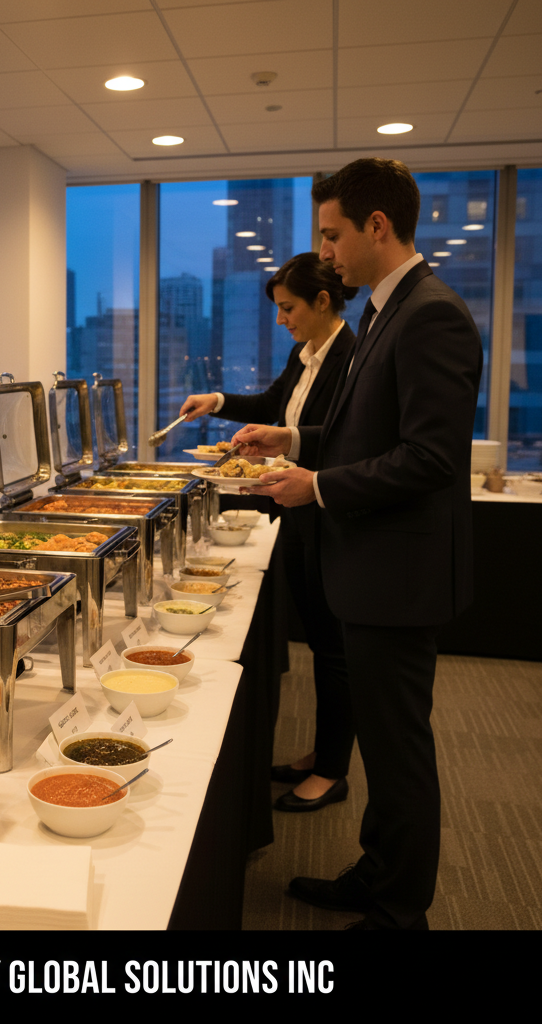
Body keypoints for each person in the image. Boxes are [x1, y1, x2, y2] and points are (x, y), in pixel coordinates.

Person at [232, 158, 483, 929]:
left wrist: (318, 485)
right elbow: (364, 428)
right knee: (380, 738)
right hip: (372, 567)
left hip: (398, 576)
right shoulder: (384, 311)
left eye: (333, 234)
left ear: (379, 227)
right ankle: (378, 872)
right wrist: (296, 435)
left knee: (399, 749)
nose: (327, 252)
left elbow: (430, 458)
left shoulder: (431, 312)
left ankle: (401, 906)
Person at [180, 253, 356, 811]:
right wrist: (220, 402)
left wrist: (290, 441)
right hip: (298, 514)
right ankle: (322, 752)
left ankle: (332, 770)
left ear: (322, 302)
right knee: (322, 642)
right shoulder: (303, 354)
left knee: (333, 650)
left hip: (330, 515)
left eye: (288, 308)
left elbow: (344, 436)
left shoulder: (352, 356)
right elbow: (275, 410)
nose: (282, 320)